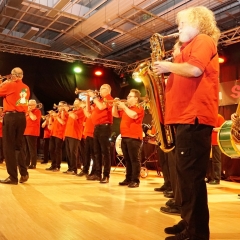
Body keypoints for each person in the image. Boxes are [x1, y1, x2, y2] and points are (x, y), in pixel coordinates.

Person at [153, 6, 220, 240]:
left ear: (198, 22)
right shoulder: (186, 48)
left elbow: (194, 70)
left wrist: (167, 66)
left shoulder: (203, 39)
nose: (178, 28)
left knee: (191, 177)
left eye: (182, 23)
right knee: (184, 177)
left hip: (194, 117)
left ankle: (196, 233)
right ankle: (187, 221)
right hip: (183, 117)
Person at [0, 67, 30, 184]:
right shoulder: (26, 87)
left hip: (11, 117)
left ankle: (13, 177)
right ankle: (24, 173)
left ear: (13, 75)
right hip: (22, 117)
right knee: (19, 146)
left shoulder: (9, 85)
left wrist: (3, 82)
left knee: (9, 148)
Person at [112, 89, 144, 187]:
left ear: (136, 99)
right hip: (124, 136)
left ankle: (135, 180)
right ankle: (128, 178)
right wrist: (114, 104)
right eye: (128, 96)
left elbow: (133, 116)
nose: (127, 98)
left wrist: (124, 107)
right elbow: (115, 114)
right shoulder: (127, 108)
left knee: (134, 160)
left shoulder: (139, 108)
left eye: (130, 97)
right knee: (127, 159)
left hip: (134, 137)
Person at [87, 84, 113, 183]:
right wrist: (89, 97)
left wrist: (94, 97)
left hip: (105, 127)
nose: (100, 90)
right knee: (96, 152)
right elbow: (89, 110)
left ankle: (106, 175)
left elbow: (102, 107)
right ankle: (97, 174)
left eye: (103, 88)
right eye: (100, 88)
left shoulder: (109, 98)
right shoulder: (99, 100)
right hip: (97, 127)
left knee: (105, 152)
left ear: (108, 91)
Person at [63, 99, 85, 174]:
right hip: (68, 134)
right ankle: (70, 168)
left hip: (75, 134)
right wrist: (64, 111)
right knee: (68, 152)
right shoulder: (72, 111)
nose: (74, 104)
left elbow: (75, 117)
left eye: (76, 102)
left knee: (73, 152)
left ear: (80, 104)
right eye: (74, 102)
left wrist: (68, 111)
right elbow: (63, 118)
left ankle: (74, 169)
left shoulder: (81, 110)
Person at [46, 101, 68, 172]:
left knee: (57, 150)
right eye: (58, 105)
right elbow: (50, 126)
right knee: (51, 149)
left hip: (59, 134)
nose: (59, 107)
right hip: (53, 133)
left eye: (61, 106)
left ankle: (57, 166)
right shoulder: (57, 114)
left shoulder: (66, 114)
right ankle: (53, 165)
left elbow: (63, 122)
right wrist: (50, 118)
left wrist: (55, 116)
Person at [22, 99, 41, 169]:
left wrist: (29, 111)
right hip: (26, 131)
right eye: (28, 105)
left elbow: (33, 118)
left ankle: (33, 164)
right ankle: (26, 163)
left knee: (32, 149)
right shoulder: (27, 112)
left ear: (35, 105)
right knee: (26, 149)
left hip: (32, 132)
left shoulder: (37, 111)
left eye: (31, 105)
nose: (29, 106)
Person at [207, 113, 225, 184]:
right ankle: (210, 177)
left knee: (216, 161)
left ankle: (216, 178)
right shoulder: (209, 117)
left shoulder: (219, 117)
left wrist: (212, 129)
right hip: (209, 142)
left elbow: (222, 128)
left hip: (216, 142)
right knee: (209, 160)